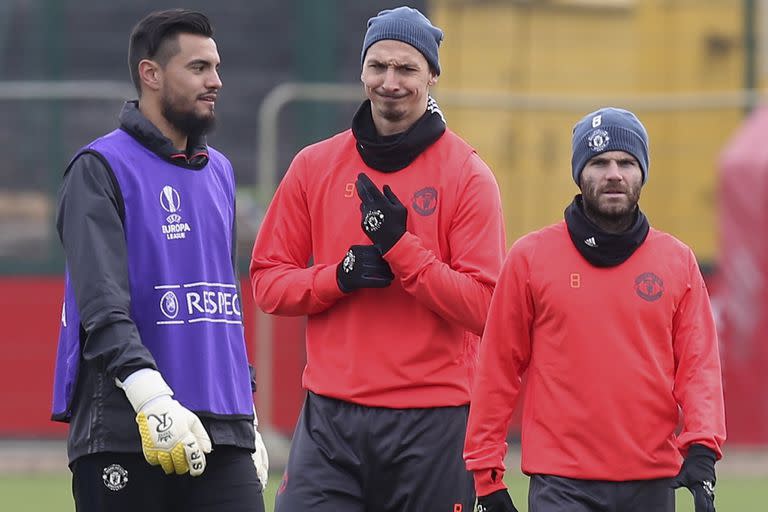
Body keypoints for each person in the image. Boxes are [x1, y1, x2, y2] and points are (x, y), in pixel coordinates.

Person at [250, 6, 506, 512]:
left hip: (433, 420)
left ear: (432, 75)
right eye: (379, 66)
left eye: (407, 69)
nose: (390, 82)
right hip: (331, 418)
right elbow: (267, 283)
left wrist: (402, 251)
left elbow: (487, 308)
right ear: (362, 71)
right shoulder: (314, 165)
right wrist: (338, 278)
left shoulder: (468, 175)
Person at [51, 9, 268, 512]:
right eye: (198, 68)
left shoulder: (221, 173)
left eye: (215, 67)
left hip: (223, 431)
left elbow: (222, 303)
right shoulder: (98, 168)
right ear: (151, 74)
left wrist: (247, 412)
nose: (215, 81)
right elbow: (102, 307)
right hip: (129, 427)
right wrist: (151, 399)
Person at [464, 107, 726, 512]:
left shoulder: (677, 260)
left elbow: (698, 367)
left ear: (642, 172)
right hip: (562, 484)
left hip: (652, 481)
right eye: (599, 162)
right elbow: (497, 369)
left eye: (625, 162)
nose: (614, 174)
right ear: (579, 173)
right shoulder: (531, 258)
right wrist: (486, 474)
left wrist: (703, 449)